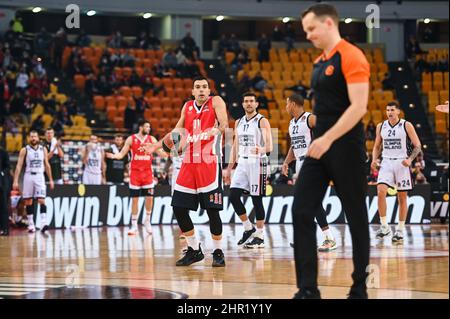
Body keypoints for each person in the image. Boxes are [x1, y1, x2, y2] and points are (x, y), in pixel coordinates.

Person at [292, 4, 371, 299]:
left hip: (347, 143)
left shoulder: (351, 56)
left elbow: (359, 107)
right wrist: (321, 138)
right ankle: (308, 288)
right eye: (306, 31)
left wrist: (329, 138)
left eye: (311, 29)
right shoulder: (318, 61)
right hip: (320, 142)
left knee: (356, 215)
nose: (308, 35)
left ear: (328, 23)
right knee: (300, 209)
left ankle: (359, 285)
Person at [144, 76, 228, 267]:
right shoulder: (187, 106)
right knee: (179, 208)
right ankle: (194, 250)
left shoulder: (216, 101)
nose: (201, 90)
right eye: (197, 87)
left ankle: (217, 251)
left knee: (213, 212)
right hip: (188, 163)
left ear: (209, 90)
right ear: (192, 91)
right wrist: (155, 146)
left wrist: (217, 131)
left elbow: (223, 123)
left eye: (204, 87)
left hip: (209, 162)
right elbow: (176, 132)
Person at [282, 94, 337, 252]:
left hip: (313, 161)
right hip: (300, 162)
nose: (286, 107)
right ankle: (307, 238)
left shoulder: (310, 118)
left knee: (310, 201)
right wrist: (286, 162)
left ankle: (329, 238)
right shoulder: (292, 123)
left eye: (287, 104)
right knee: (304, 202)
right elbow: (294, 146)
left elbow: (327, 132)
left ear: (293, 104)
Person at [223, 92, 273, 249]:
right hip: (242, 164)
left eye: (252, 101)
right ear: (243, 104)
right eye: (246, 101)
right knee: (233, 196)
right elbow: (235, 146)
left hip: (257, 162)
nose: (249, 103)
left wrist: (261, 149)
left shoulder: (262, 121)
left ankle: (260, 235)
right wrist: (229, 168)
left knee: (256, 199)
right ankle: (248, 227)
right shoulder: (238, 122)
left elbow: (270, 147)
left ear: (257, 104)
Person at [371, 101, 422, 243]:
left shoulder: (406, 125)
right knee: (380, 191)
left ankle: (399, 230)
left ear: (398, 111)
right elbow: (376, 146)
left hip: (401, 162)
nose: (389, 112)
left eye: (392, 110)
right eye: (387, 110)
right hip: (386, 162)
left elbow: (417, 145)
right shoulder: (381, 126)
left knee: (402, 197)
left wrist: (410, 160)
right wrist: (374, 160)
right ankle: (384, 226)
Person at [106, 120, 166, 235]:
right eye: (146, 126)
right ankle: (134, 225)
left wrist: (173, 152)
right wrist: (114, 156)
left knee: (150, 198)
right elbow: (122, 154)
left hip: (148, 173)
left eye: (149, 127)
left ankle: (147, 221)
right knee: (135, 200)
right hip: (135, 174)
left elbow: (161, 153)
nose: (148, 128)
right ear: (140, 127)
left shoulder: (152, 139)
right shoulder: (131, 139)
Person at [13, 130, 54, 233]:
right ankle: (31, 225)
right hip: (28, 176)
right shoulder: (24, 150)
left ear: (38, 138)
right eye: (31, 137)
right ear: (29, 138)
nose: (33, 139)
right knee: (28, 201)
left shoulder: (43, 149)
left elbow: (47, 164)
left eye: (35, 137)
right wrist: (15, 181)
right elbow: (18, 166)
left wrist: (51, 179)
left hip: (40, 176)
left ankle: (43, 223)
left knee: (41, 200)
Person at [0, 146, 11, 236]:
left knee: (3, 206)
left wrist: (1, 173)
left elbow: (8, 167)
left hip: (2, 184)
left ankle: (5, 229)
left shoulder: (3, 152)